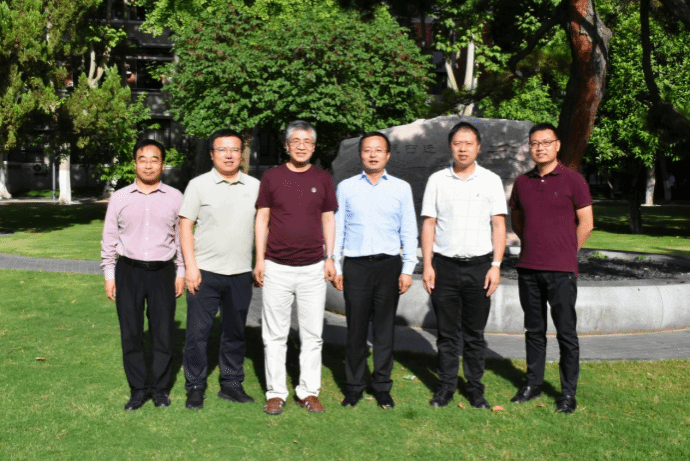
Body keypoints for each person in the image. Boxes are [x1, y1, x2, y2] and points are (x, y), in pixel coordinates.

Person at [421, 121, 507, 409]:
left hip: (479, 268)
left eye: (468, 143)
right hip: (444, 267)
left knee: (474, 335)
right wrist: (428, 265)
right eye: (458, 143)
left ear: (478, 147)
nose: (463, 148)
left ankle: (475, 389)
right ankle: (445, 387)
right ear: (450, 146)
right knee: (446, 335)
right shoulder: (437, 180)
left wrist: (496, 265)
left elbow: (498, 225)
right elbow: (429, 224)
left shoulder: (491, 180)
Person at [509, 122, 593, 414]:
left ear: (557, 145)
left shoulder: (574, 180)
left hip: (561, 271)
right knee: (534, 330)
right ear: (529, 148)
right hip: (528, 268)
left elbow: (586, 223)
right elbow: (517, 220)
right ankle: (532, 384)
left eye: (546, 142)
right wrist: (534, 244)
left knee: (566, 333)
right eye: (534, 143)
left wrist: (567, 252)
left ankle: (567, 393)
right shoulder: (522, 182)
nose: (540, 148)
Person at [254, 120, 337, 415]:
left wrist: (330, 257)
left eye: (307, 142)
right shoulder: (272, 177)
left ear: (313, 147)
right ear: (287, 145)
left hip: (313, 268)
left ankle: (308, 391)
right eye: (296, 141)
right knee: (274, 335)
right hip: (276, 266)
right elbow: (262, 218)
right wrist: (260, 259)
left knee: (312, 335)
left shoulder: (323, 178)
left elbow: (328, 219)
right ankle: (276, 393)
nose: (302, 146)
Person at [332, 131, 418, 409]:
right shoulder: (346, 187)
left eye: (378, 150)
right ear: (361, 154)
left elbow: (408, 229)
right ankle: (354, 386)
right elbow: (338, 228)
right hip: (356, 266)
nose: (373, 154)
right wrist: (335, 264)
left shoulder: (401, 188)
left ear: (387, 155)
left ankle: (382, 386)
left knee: (384, 331)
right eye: (368, 149)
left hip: (388, 265)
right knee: (355, 330)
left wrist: (408, 268)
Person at [101, 139, 185, 411]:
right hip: (129, 272)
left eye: (154, 159)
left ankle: (160, 390)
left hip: (163, 273)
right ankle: (138, 390)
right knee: (131, 333)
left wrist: (181, 271)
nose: (148, 165)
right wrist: (109, 275)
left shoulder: (175, 197)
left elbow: (182, 239)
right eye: (143, 159)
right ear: (135, 163)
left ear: (162, 163)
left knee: (163, 334)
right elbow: (109, 238)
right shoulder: (119, 198)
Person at [179, 129, 260, 410]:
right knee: (197, 335)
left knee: (234, 333)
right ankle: (195, 386)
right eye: (222, 150)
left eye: (234, 149)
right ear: (212, 154)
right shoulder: (198, 185)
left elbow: (263, 225)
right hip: (204, 273)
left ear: (241, 154)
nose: (229, 155)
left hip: (240, 273)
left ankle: (231, 384)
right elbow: (185, 227)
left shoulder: (255, 186)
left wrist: (260, 261)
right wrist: (190, 267)